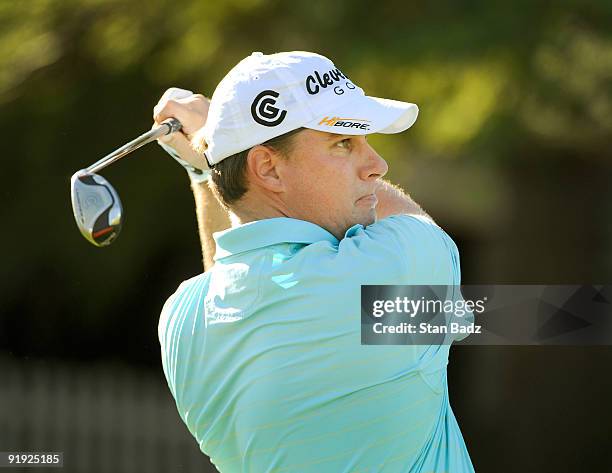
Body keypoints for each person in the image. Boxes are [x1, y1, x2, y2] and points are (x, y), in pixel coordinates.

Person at [155, 51, 474, 472]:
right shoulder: (390, 268)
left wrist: (208, 168)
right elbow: (415, 229)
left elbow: (231, 280)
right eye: (344, 142)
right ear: (267, 168)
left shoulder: (182, 318)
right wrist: (211, 157)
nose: (377, 165)